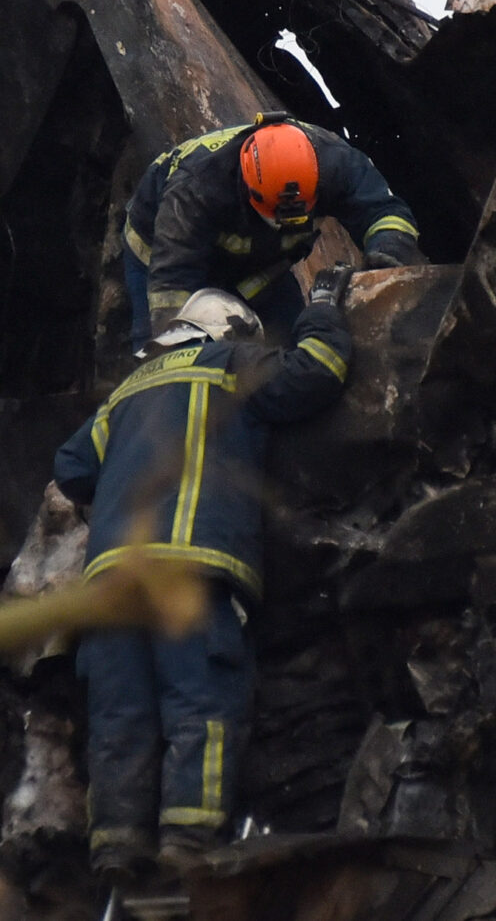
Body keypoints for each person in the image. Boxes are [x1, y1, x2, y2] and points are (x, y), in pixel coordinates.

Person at [52, 285, 352, 880]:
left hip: (112, 581)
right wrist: (322, 308)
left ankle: (115, 851)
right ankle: (187, 846)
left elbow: (72, 467)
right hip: (190, 568)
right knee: (200, 704)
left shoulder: (125, 392)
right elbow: (318, 370)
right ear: (232, 330)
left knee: (119, 717)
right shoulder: (231, 362)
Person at [121, 113, 424, 349]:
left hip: (258, 267)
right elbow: (172, 286)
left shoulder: (338, 164)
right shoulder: (196, 191)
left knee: (292, 342)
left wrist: (388, 253)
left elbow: (385, 212)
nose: (288, 223)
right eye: (277, 214)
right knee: (164, 353)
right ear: (249, 191)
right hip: (159, 259)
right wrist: (175, 347)